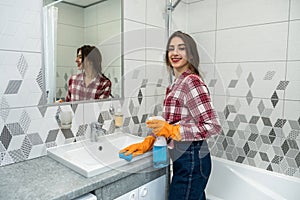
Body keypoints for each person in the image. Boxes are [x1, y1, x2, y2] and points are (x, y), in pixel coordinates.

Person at [120, 31, 221, 200]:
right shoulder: (176, 84)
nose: (175, 53)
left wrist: (173, 131)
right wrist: (151, 139)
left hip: (193, 159)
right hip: (185, 159)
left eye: (181, 48)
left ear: (191, 54)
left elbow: (212, 125)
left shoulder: (192, 82)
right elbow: (173, 121)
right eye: (171, 49)